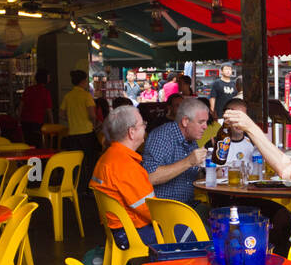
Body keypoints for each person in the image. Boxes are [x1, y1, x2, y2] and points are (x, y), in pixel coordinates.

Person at [92, 105, 159, 248]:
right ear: (132, 132)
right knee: (196, 232)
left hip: (116, 231)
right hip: (130, 234)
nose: (145, 127)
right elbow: (150, 210)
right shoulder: (126, 166)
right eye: (143, 124)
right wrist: (173, 218)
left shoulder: (107, 157)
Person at [143, 97, 210, 206]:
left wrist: (209, 172)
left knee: (220, 215)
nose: (205, 127)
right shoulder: (162, 136)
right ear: (185, 121)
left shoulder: (191, 139)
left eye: (206, 122)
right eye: (201, 122)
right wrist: (189, 161)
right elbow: (150, 176)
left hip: (187, 206)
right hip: (164, 210)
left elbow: (188, 175)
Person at [60, 69, 101, 192]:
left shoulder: (68, 96)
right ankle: (88, 187)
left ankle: (75, 187)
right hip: (87, 133)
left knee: (76, 164)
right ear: (83, 81)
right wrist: (94, 124)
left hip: (73, 134)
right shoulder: (86, 95)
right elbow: (92, 115)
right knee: (90, 162)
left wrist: (72, 119)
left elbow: (61, 115)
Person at [210, 98, 257, 170]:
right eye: (236, 117)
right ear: (226, 118)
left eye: (243, 118)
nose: (240, 122)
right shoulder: (214, 143)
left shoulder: (253, 143)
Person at [18, 69, 53, 148]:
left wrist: (18, 119)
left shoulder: (28, 90)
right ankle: (37, 159)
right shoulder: (45, 92)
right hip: (37, 122)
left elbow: (21, 105)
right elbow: (48, 110)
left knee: (27, 143)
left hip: (25, 121)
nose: (50, 79)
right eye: (49, 77)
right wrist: (51, 123)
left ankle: (27, 159)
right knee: (37, 144)